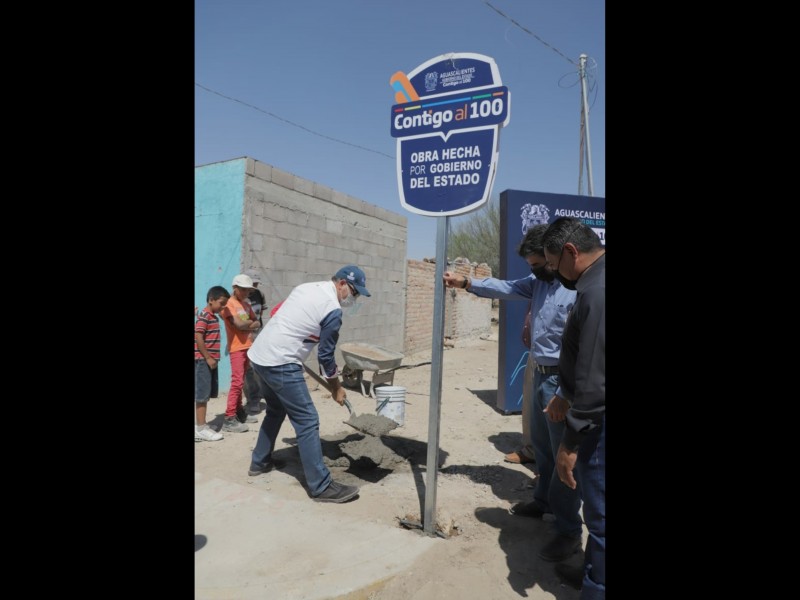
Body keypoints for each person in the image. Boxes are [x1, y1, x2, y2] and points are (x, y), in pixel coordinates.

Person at [443, 224, 582, 563]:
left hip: (562, 382)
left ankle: (568, 531)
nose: (535, 270)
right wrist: (466, 283)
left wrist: (565, 392)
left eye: (538, 263)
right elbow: (505, 287)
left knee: (565, 458)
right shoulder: (539, 282)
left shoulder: (577, 290)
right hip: (539, 374)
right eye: (532, 265)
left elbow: (585, 349)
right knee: (542, 448)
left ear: (554, 257)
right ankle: (543, 502)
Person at [246, 265, 371, 503]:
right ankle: (321, 487)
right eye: (354, 292)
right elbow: (326, 356)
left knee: (275, 410)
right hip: (281, 362)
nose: (353, 299)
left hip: (259, 355)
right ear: (342, 283)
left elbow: (279, 311)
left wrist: (293, 339)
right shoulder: (333, 309)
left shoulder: (306, 288)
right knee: (308, 420)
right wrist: (336, 387)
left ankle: (260, 462)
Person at [541, 217, 605, 598]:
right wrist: (564, 391)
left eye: (554, 264)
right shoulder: (593, 283)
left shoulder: (598, 291)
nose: (553, 272)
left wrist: (570, 441)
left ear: (571, 252)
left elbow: (596, 380)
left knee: (600, 518)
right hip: (591, 414)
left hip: (597, 424)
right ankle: (591, 571)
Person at [220, 273, 261, 433]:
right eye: (243, 289)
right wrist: (248, 323)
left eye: (248, 290)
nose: (246, 293)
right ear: (235, 288)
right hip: (236, 348)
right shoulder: (228, 304)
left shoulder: (245, 304)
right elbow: (239, 325)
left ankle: (239, 413)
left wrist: (247, 324)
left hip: (247, 346)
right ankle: (229, 418)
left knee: (240, 382)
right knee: (237, 382)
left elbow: (257, 322)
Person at [195, 286, 231, 442]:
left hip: (209, 361)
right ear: (211, 300)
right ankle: (200, 429)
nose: (223, 308)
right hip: (203, 361)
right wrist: (208, 357)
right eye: (221, 304)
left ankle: (202, 425)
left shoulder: (213, 316)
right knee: (202, 395)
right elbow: (198, 336)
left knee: (206, 394)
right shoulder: (205, 316)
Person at [243, 268, 268, 417]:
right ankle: (252, 400)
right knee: (249, 369)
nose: (255, 287)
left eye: (256, 284)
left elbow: (260, 315)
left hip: (258, 335)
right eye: (253, 284)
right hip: (244, 337)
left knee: (259, 367)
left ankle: (259, 395)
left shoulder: (260, 294)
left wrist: (258, 329)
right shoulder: (240, 297)